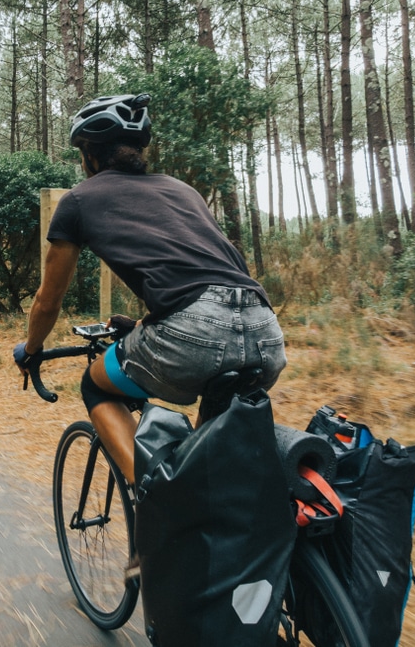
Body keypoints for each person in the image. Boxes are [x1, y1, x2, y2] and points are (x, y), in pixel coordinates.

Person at [14, 93, 286, 486]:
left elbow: (47, 300)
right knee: (209, 460)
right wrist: (150, 319)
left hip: (192, 336)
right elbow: (217, 273)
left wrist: (32, 349)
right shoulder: (183, 190)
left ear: (89, 154)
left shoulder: (78, 200)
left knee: (95, 384)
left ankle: (152, 490)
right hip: (266, 332)